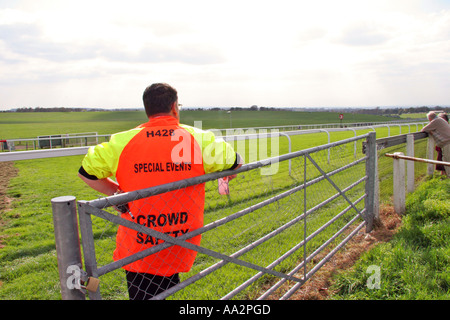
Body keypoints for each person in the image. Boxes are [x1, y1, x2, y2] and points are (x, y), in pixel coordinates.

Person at [78, 83, 243, 299]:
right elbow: (235, 162)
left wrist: (117, 194)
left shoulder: (122, 141)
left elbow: (86, 172)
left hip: (138, 242)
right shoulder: (199, 139)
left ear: (147, 109)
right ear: (174, 107)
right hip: (182, 238)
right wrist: (223, 174)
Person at [421, 111, 450, 177]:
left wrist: (431, 131)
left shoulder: (436, 121)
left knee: (447, 161)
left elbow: (424, 129)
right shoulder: (440, 120)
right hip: (447, 143)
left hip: (447, 143)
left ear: (430, 119)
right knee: (446, 160)